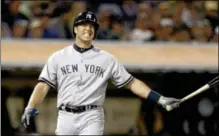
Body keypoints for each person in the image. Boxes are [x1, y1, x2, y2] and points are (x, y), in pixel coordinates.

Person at [21, 11, 181, 135]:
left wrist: (159, 99)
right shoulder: (58, 56)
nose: (88, 28)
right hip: (65, 116)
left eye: (92, 26)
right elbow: (43, 85)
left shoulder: (106, 58)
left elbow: (132, 83)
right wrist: (30, 106)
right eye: (84, 24)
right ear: (75, 29)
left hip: (92, 115)